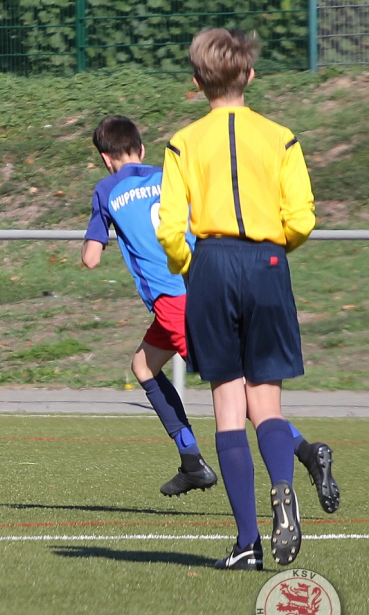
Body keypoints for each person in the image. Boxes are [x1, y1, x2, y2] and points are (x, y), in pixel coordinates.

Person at [157, 29, 339, 570]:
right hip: (267, 264)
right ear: (251, 76)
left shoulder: (183, 142)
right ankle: (284, 484)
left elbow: (170, 228)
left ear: (197, 82)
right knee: (268, 403)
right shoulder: (281, 137)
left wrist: (188, 265)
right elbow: (301, 217)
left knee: (228, 406)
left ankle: (246, 543)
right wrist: (275, 251)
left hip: (212, 263)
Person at [82, 116, 335, 507]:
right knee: (143, 366)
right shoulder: (167, 174)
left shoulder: (106, 189)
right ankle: (191, 460)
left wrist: (101, 235)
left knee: (238, 392)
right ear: (142, 149)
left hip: (173, 301)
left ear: (104, 158)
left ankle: (306, 451)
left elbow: (91, 259)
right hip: (205, 283)